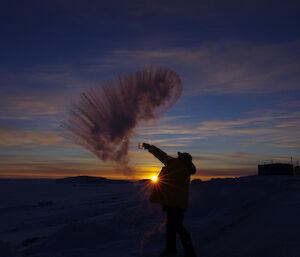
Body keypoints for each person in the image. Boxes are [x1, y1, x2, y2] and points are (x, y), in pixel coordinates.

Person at [143, 143, 197, 257]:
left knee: (176, 227)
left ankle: (186, 250)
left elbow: (161, 155)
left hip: (172, 202)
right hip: (179, 203)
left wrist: (149, 147)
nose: (177, 157)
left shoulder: (176, 164)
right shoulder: (186, 169)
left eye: (179, 156)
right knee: (173, 226)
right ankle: (173, 249)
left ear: (182, 159)